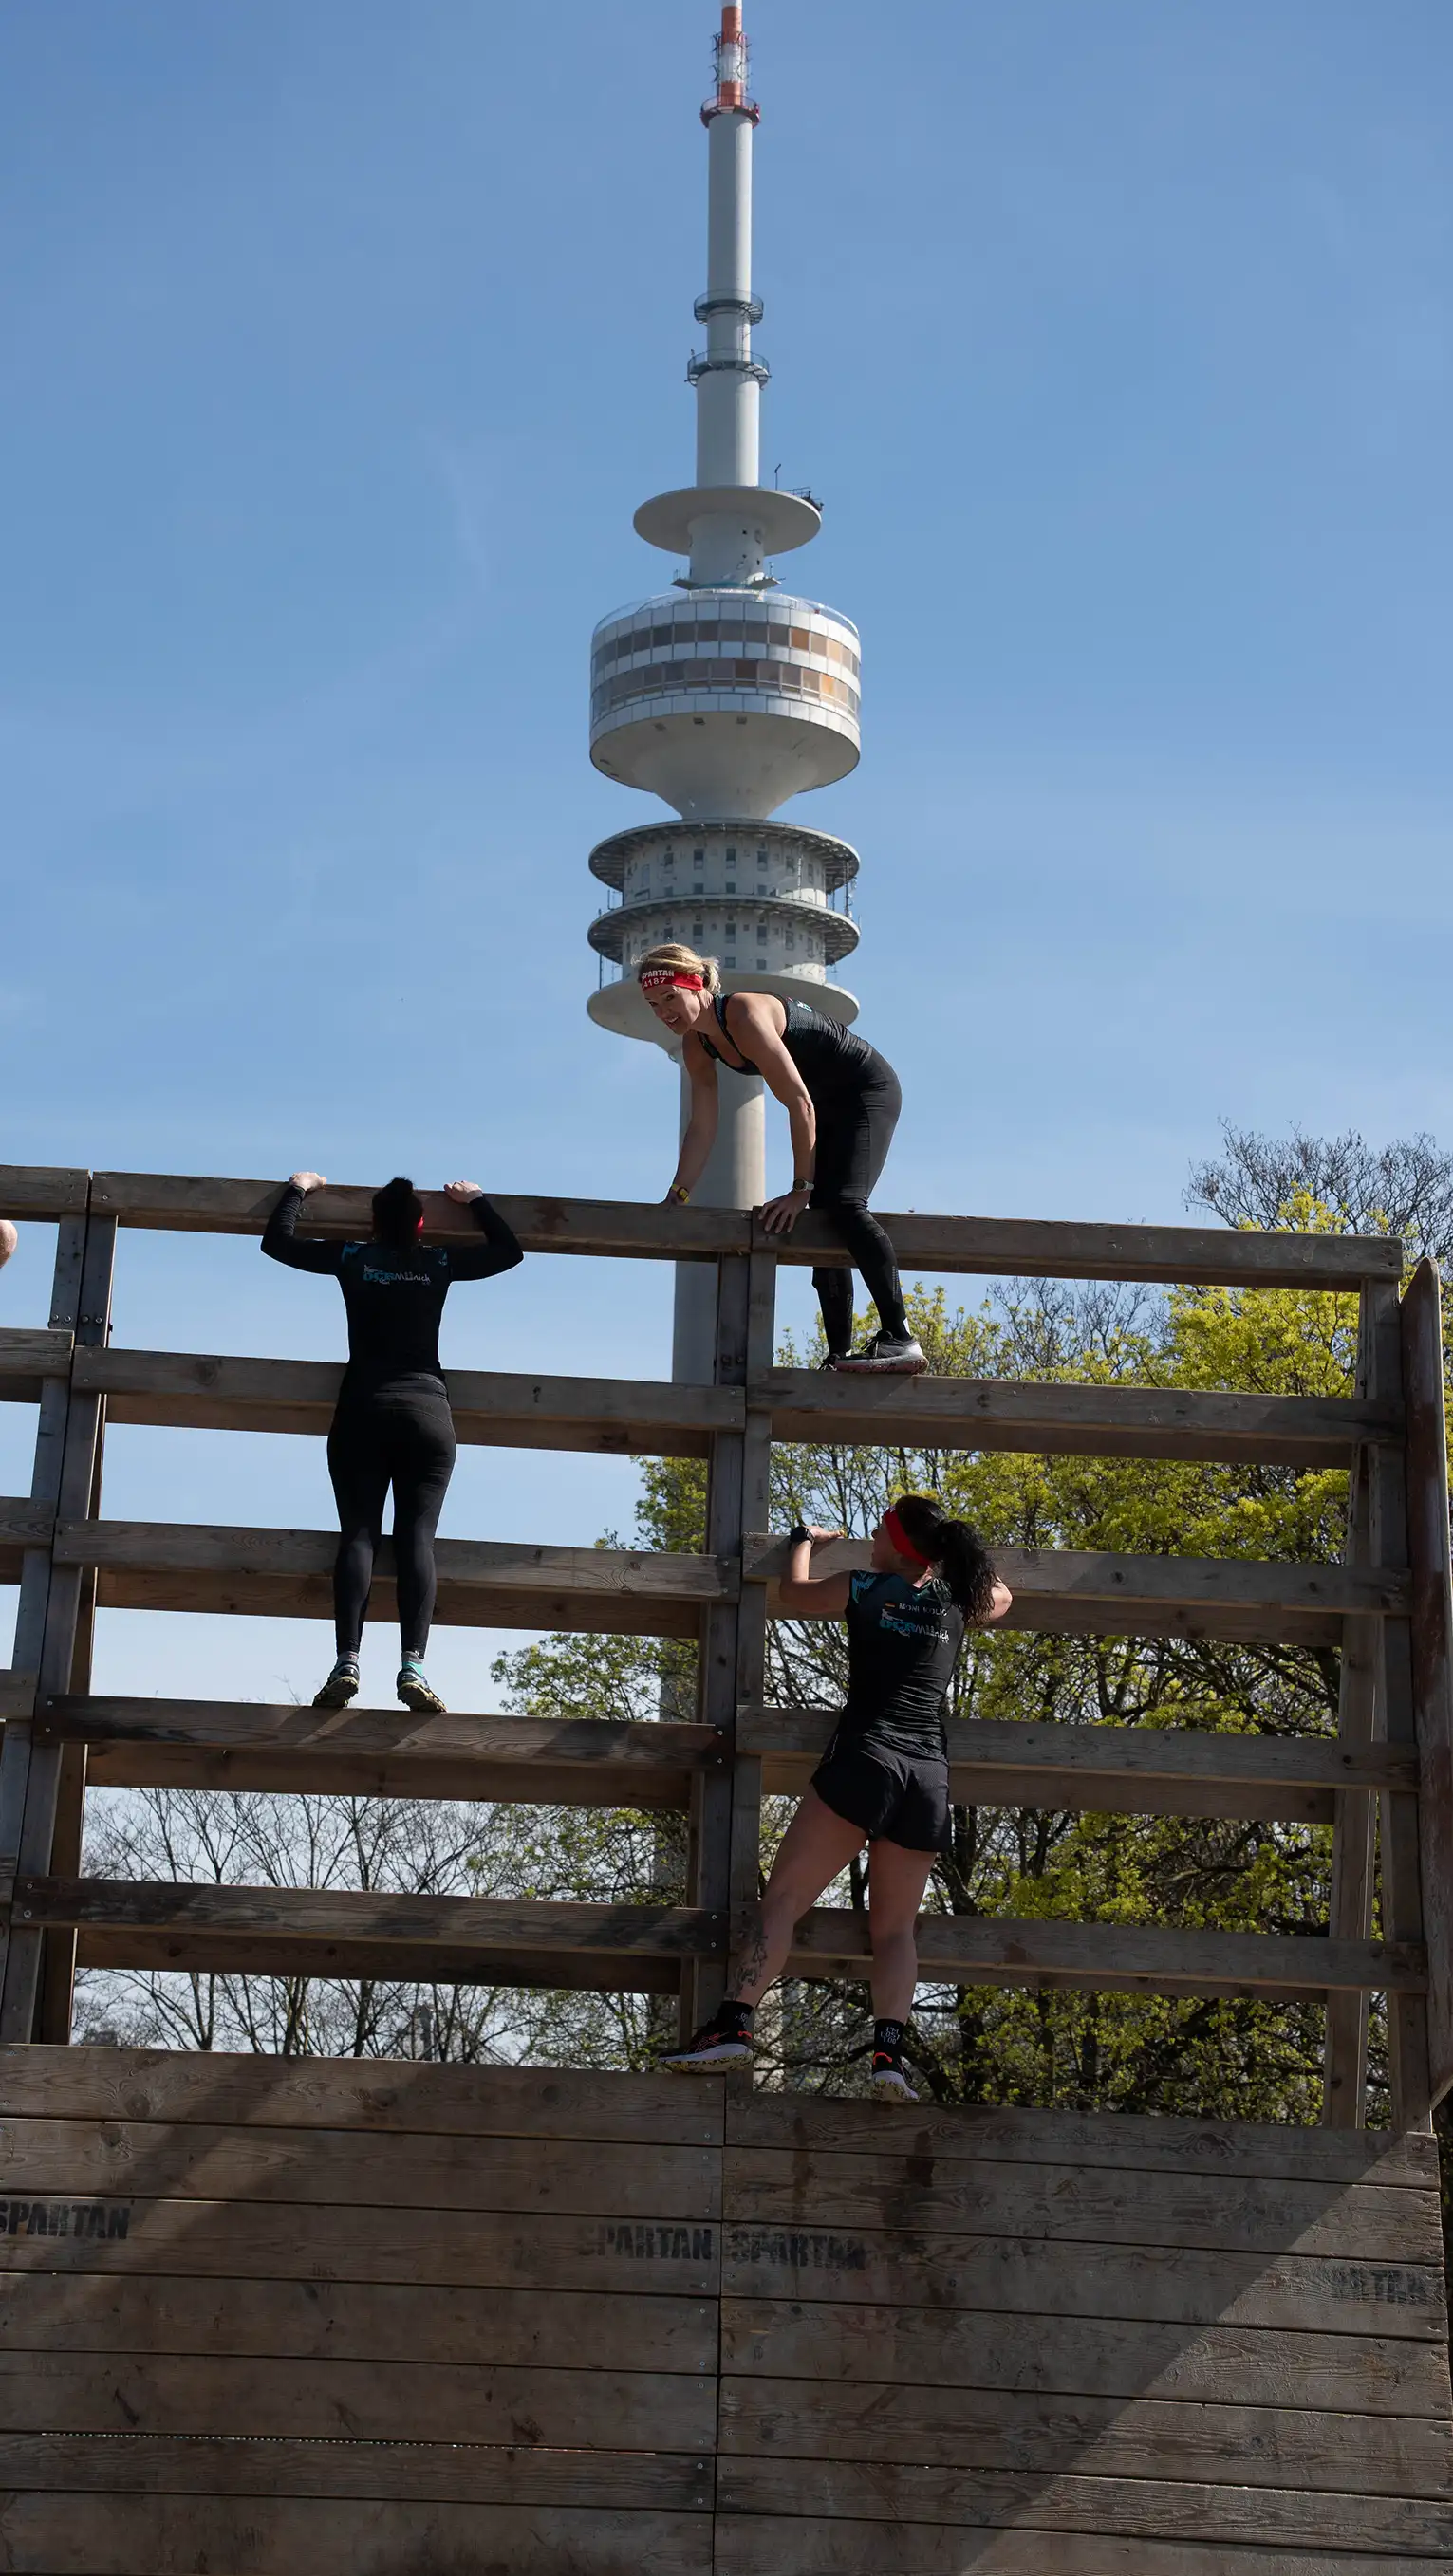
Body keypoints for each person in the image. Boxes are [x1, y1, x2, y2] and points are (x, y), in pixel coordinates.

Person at [661, 1492, 1013, 2102]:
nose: (872, 1540)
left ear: (897, 1546)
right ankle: (889, 2058)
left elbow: (794, 1592)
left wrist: (802, 1540)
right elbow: (1002, 1596)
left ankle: (734, 2024)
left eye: (882, 1532)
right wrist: (952, 1554)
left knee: (784, 1901)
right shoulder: (958, 1601)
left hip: (865, 1762)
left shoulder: (865, 1587)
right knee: (896, 1932)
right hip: (927, 1778)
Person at [262, 1171, 523, 1714]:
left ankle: (347, 1661)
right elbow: (509, 1252)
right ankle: (414, 1665)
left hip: (362, 1409)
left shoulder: (353, 1257)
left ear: (373, 1221)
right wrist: (477, 1202)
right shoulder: (440, 1264)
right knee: (416, 1539)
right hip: (428, 1412)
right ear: (422, 1224)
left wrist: (298, 1189)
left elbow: (276, 1243)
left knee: (358, 1534)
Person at [639, 942, 925, 1375]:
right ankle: (840, 1355)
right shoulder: (698, 1046)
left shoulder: (745, 1015)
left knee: (844, 1205)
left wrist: (800, 1189)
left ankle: (901, 1338)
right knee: (821, 1220)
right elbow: (703, 1126)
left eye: (669, 998)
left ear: (697, 986)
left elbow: (798, 1104)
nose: (663, 1013)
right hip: (823, 1100)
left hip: (864, 1089)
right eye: (653, 1005)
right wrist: (678, 1193)